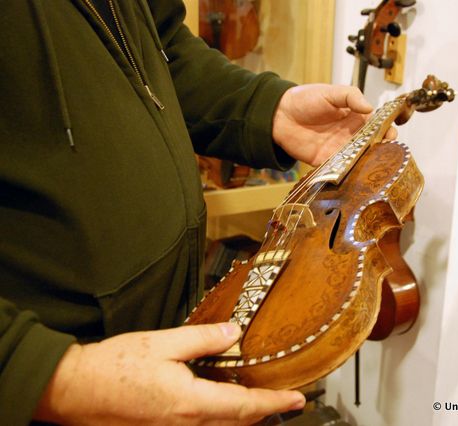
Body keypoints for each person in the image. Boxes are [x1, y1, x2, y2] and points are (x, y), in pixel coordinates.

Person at [0, 0, 395, 424]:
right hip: (59, 379)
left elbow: (161, 45)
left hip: (170, 328)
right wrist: (47, 374)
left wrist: (265, 108)